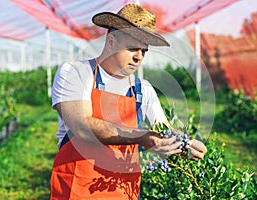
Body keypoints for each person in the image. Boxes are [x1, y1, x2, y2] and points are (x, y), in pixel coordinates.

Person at [50, 4, 207, 200]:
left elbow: (164, 130)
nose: (138, 57)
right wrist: (141, 136)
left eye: (144, 51)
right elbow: (82, 127)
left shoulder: (144, 89)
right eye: (133, 48)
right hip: (77, 189)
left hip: (124, 192)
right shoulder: (76, 73)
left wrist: (185, 145)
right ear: (111, 41)